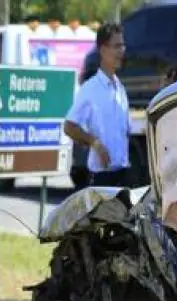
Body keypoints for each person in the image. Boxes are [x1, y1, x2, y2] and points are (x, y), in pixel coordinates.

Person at [63, 23, 132, 187]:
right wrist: (94, 142)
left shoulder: (120, 88)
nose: (122, 51)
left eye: (123, 45)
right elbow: (69, 126)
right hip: (101, 178)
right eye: (116, 46)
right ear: (102, 50)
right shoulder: (90, 88)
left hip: (123, 175)